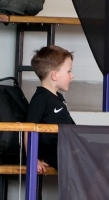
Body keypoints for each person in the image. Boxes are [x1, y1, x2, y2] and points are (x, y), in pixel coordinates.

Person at [26, 45, 76, 174]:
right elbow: (28, 129)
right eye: (69, 71)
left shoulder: (59, 98)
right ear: (54, 75)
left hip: (72, 147)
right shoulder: (40, 98)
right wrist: (32, 158)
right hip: (59, 152)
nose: (72, 76)